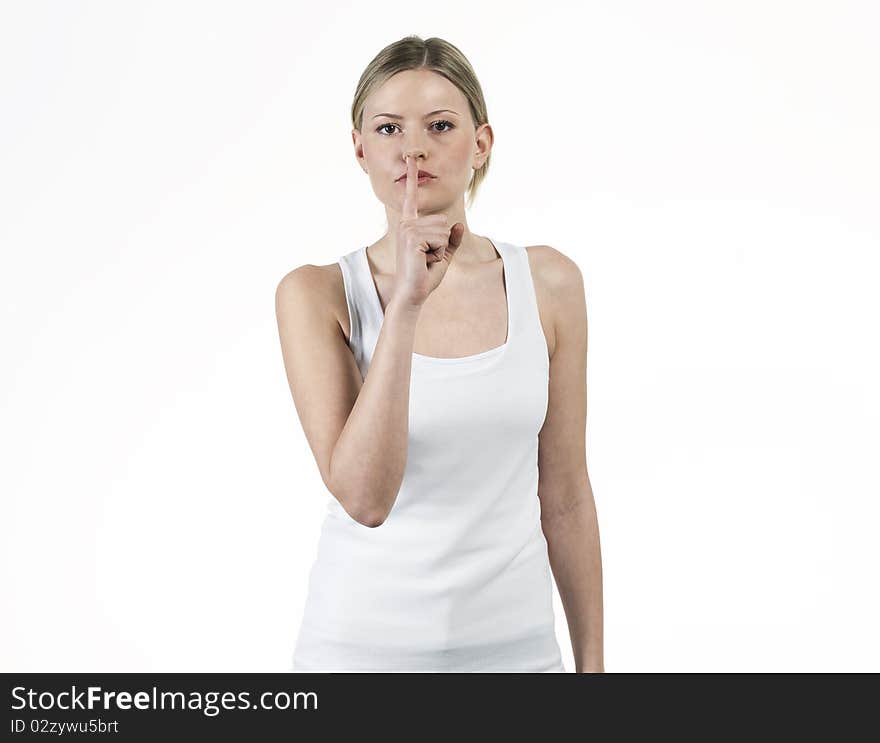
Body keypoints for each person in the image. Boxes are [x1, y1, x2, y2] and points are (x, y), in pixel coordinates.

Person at [275, 35, 603, 672]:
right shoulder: (317, 295)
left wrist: (592, 669)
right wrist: (403, 310)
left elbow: (564, 492)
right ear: (360, 147)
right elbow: (365, 499)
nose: (413, 147)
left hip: (518, 657)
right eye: (389, 127)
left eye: (440, 125)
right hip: (360, 659)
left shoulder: (550, 284)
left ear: (480, 144)